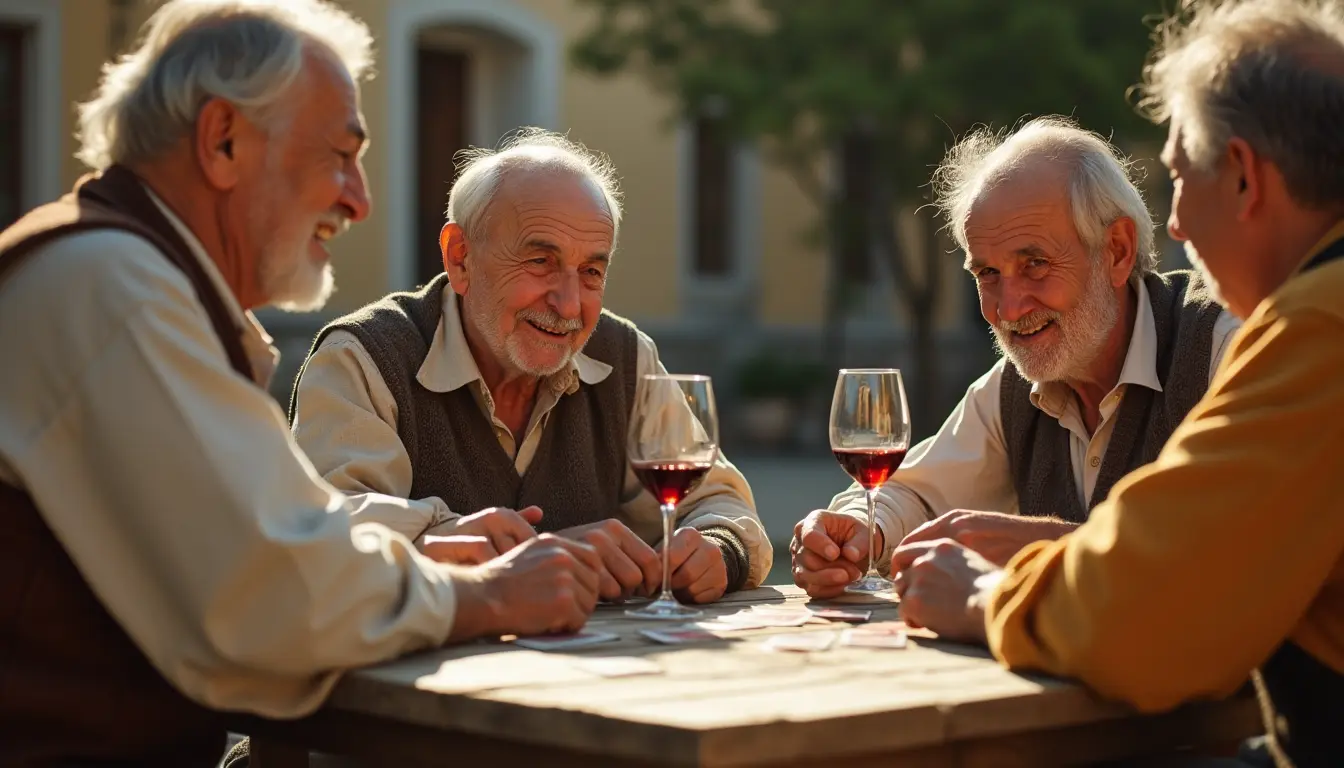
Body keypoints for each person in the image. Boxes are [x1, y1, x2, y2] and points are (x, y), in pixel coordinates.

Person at [0, 2, 603, 765]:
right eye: (339, 155)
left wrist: (426, 549)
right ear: (222, 142)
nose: (359, 199)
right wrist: (487, 597)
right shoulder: (114, 287)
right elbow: (267, 597)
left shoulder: (127, 276)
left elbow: (272, 531)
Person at [891, 1, 1344, 766]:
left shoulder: (1313, 331)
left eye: (1177, 177)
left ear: (1243, 177)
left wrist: (982, 596)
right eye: (987, 274)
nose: (1176, 227)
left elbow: (1157, 624)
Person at [288, 129, 772, 604]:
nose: (568, 305)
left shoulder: (625, 358)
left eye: (591, 273)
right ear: (460, 258)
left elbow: (717, 501)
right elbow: (326, 532)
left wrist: (716, 551)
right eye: (540, 261)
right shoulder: (365, 357)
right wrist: (501, 550)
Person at [790, 117, 1240, 597]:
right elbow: (917, 494)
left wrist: (1045, 547)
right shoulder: (1014, 390)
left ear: (1116, 251)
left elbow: (1242, 550)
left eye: (1035, 264)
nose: (1007, 308)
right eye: (987, 273)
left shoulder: (1224, 349)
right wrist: (858, 530)